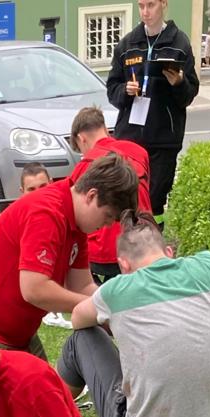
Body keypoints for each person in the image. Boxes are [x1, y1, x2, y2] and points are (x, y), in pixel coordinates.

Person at [57, 212, 210, 417]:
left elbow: (77, 319)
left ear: (123, 265)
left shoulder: (116, 290)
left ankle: (54, 410)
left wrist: (115, 320)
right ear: (169, 252)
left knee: (81, 339)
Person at [0, 153, 138, 355]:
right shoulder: (46, 213)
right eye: (107, 216)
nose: (107, 225)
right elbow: (34, 289)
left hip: (12, 333)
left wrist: (116, 306)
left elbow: (82, 285)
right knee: (38, 377)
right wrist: (97, 308)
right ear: (91, 196)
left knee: (48, 376)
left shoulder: (76, 220)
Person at [106, 0, 200, 225]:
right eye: (141, 6)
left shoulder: (179, 43)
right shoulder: (128, 43)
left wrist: (178, 83)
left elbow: (189, 94)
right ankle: (127, 244)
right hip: (130, 137)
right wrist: (125, 90)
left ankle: (154, 242)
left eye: (151, 5)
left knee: (154, 201)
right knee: (127, 199)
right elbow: (112, 88)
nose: (145, 12)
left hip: (163, 140)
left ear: (163, 4)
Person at [69, 104, 153, 283]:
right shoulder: (140, 152)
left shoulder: (84, 167)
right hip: (146, 241)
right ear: (106, 130)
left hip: (105, 252)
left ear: (81, 139)